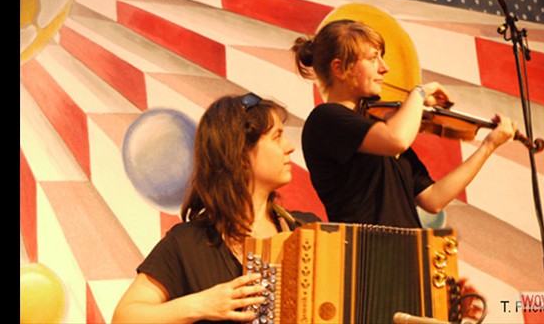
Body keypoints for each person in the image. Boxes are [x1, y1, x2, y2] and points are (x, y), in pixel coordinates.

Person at [112, 93, 319, 324]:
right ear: (240, 154)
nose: (289, 147)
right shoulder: (189, 243)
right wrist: (200, 304)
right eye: (276, 137)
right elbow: (124, 317)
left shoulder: (308, 231)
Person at [293, 19, 517, 228]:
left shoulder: (377, 129)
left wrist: (488, 146)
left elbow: (433, 199)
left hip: (407, 254)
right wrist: (418, 93)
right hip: (365, 257)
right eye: (372, 58)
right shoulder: (326, 119)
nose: (384, 67)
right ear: (340, 69)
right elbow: (397, 139)